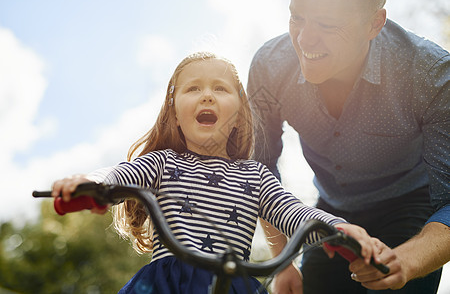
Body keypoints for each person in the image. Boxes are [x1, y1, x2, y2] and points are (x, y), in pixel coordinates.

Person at [51, 51, 382, 294]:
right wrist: (92, 184)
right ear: (175, 114)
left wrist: (338, 229)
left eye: (220, 89)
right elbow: (121, 174)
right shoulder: (164, 163)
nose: (207, 94)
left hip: (234, 285)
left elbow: (294, 213)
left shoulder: (256, 176)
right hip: (168, 285)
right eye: (193, 88)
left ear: (238, 114)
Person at [247, 0, 450, 293]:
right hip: (330, 213)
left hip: (409, 207)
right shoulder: (270, 67)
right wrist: (283, 262)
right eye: (297, 18)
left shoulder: (430, 73)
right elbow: (260, 169)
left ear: (374, 24)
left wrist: (405, 261)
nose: (304, 39)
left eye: (327, 25)